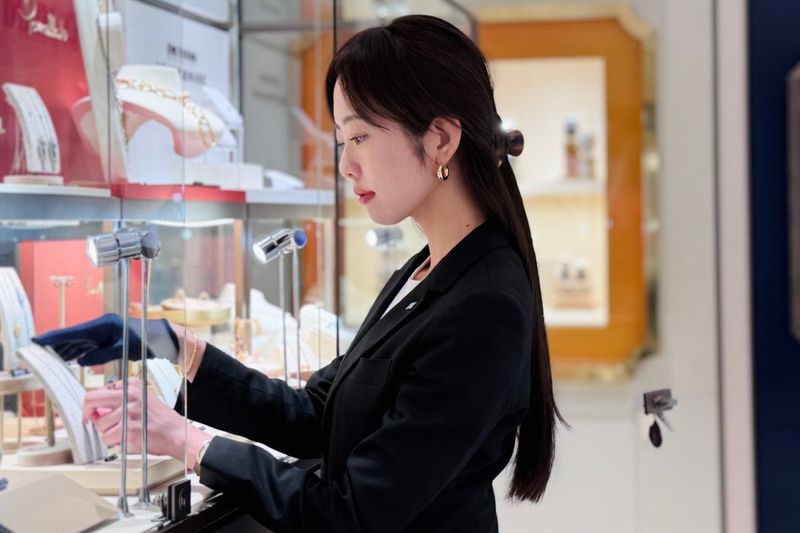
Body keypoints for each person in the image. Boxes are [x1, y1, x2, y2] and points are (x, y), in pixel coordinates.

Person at [34, 14, 561, 532]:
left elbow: (351, 513)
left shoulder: (484, 304)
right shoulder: (426, 270)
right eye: (341, 143)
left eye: (359, 138)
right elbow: (316, 414)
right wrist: (173, 345)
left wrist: (187, 442)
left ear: (441, 139)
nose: (346, 166)